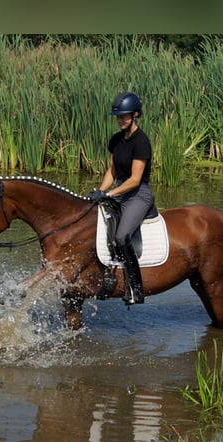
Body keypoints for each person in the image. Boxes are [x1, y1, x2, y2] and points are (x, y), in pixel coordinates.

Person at [86, 91, 155, 305]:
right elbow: (112, 172)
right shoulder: (116, 140)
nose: (120, 120)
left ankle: (135, 288)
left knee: (123, 234)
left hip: (138, 194)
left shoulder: (141, 141)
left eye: (124, 116)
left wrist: (110, 194)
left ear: (135, 115)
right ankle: (107, 275)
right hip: (119, 191)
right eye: (118, 117)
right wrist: (99, 192)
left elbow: (134, 180)